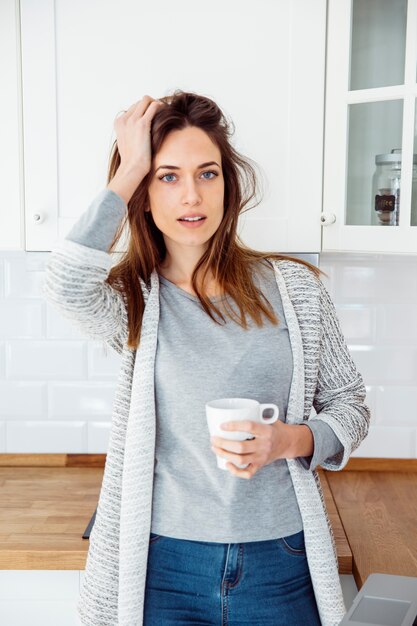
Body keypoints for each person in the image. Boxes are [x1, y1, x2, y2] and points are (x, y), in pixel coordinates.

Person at [42, 92, 370, 626]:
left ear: (228, 185)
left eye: (208, 173)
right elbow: (65, 284)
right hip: (163, 564)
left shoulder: (294, 289)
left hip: (279, 558)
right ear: (143, 195)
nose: (191, 195)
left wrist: (292, 440)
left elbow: (350, 404)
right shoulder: (132, 300)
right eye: (167, 176)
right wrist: (129, 170)